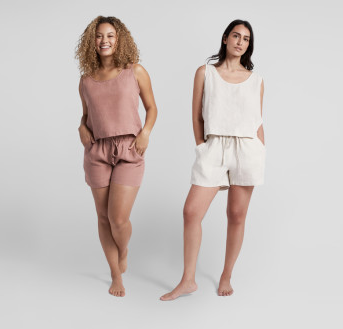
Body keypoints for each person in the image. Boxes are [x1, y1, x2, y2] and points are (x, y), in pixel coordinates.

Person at [160, 19, 265, 301]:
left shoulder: (256, 80)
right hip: (214, 147)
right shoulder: (204, 72)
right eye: (236, 35)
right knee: (191, 212)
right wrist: (203, 148)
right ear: (225, 38)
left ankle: (226, 274)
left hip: (247, 149)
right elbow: (196, 116)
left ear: (248, 45)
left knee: (236, 215)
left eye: (246, 38)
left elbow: (258, 122)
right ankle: (188, 280)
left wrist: (260, 151)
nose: (240, 42)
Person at [75, 16, 157, 297]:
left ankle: (123, 249)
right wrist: (81, 127)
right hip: (97, 151)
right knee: (102, 217)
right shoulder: (85, 80)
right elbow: (87, 116)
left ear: (119, 39)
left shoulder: (135, 71)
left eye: (110, 35)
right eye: (99, 36)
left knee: (118, 219)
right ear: (91, 42)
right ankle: (115, 275)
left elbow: (151, 107)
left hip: (129, 150)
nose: (104, 41)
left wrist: (145, 132)